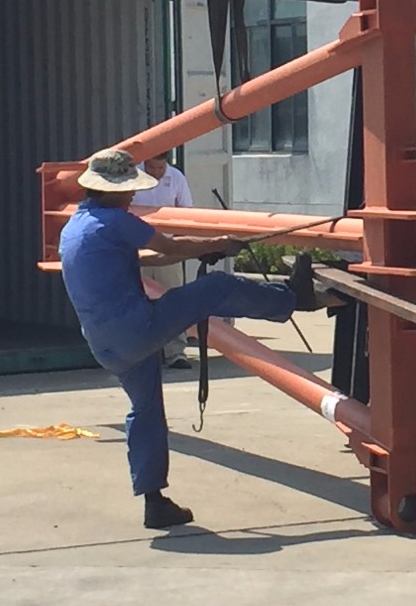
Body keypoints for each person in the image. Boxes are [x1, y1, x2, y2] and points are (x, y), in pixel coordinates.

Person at [59, 148, 326, 529]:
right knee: (215, 288)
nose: (133, 195)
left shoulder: (77, 225)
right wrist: (217, 244)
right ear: (111, 190)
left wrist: (206, 248)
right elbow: (169, 247)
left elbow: (146, 259)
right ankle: (294, 298)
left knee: (145, 411)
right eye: (129, 189)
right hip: (137, 327)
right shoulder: (115, 220)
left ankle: (154, 502)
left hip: (106, 344)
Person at [131, 155, 197, 368]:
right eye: (152, 168)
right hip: (138, 248)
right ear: (145, 163)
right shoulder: (132, 176)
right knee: (137, 300)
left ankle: (175, 352)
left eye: (161, 168)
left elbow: (186, 210)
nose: (157, 173)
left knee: (173, 298)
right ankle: (141, 353)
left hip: (167, 248)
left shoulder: (176, 177)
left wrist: (181, 245)